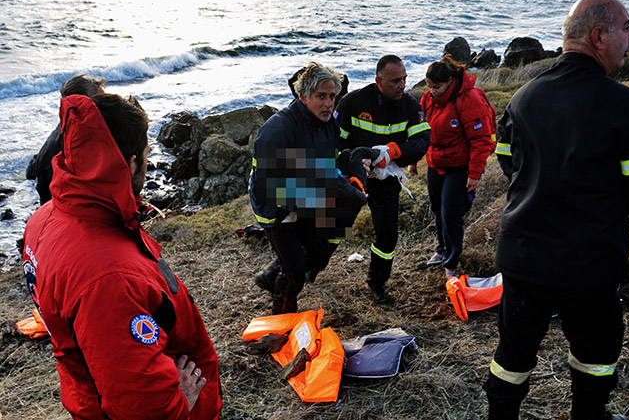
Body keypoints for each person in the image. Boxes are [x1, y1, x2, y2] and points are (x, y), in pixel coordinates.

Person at [484, 0, 629, 420]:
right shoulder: (627, 105)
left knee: (513, 352)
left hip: (523, 254)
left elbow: (509, 164)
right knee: (596, 353)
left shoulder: (523, 97)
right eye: (626, 26)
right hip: (588, 261)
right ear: (598, 35)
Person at [22, 93, 222, 419]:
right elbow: (137, 403)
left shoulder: (44, 219)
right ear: (129, 164)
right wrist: (178, 404)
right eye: (145, 155)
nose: (147, 163)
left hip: (89, 390)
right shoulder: (110, 279)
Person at [249, 62, 371, 314]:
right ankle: (281, 322)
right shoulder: (277, 129)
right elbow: (272, 185)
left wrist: (353, 173)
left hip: (305, 195)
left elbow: (330, 164)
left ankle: (272, 274)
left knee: (322, 246)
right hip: (276, 204)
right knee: (294, 272)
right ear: (303, 97)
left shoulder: (328, 125)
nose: (328, 103)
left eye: (332, 97)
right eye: (321, 97)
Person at [335, 55, 430, 303]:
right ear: (379, 80)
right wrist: (352, 162)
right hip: (354, 176)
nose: (402, 85)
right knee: (334, 226)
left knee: (387, 234)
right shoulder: (353, 102)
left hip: (387, 178)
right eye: (396, 80)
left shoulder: (411, 106)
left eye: (405, 79)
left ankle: (377, 283)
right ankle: (311, 267)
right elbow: (335, 142)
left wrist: (393, 152)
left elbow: (421, 142)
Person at [421, 46, 496, 278]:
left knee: (450, 212)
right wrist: (414, 160)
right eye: (429, 86)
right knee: (437, 209)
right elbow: (421, 131)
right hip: (436, 162)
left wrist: (474, 174)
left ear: (451, 81)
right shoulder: (428, 99)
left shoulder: (469, 100)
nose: (432, 91)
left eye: (437, 87)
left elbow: (482, 140)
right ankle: (442, 250)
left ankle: (451, 264)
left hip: (460, 167)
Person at [26, 74, 106, 204]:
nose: (106, 104)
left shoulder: (63, 128)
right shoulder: (78, 141)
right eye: (100, 100)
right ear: (81, 103)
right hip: (65, 211)